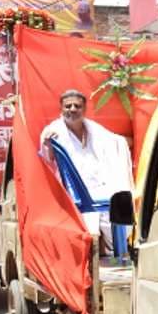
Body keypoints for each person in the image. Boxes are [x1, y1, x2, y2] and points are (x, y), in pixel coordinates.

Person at [40, 89, 134, 252]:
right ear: (61, 109)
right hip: (73, 189)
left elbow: (115, 141)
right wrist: (48, 143)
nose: (73, 109)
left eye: (77, 106)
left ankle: (114, 249)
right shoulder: (53, 131)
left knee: (122, 196)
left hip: (99, 182)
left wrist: (130, 140)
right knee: (111, 202)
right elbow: (47, 158)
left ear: (84, 109)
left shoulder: (93, 128)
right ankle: (106, 247)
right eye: (68, 106)